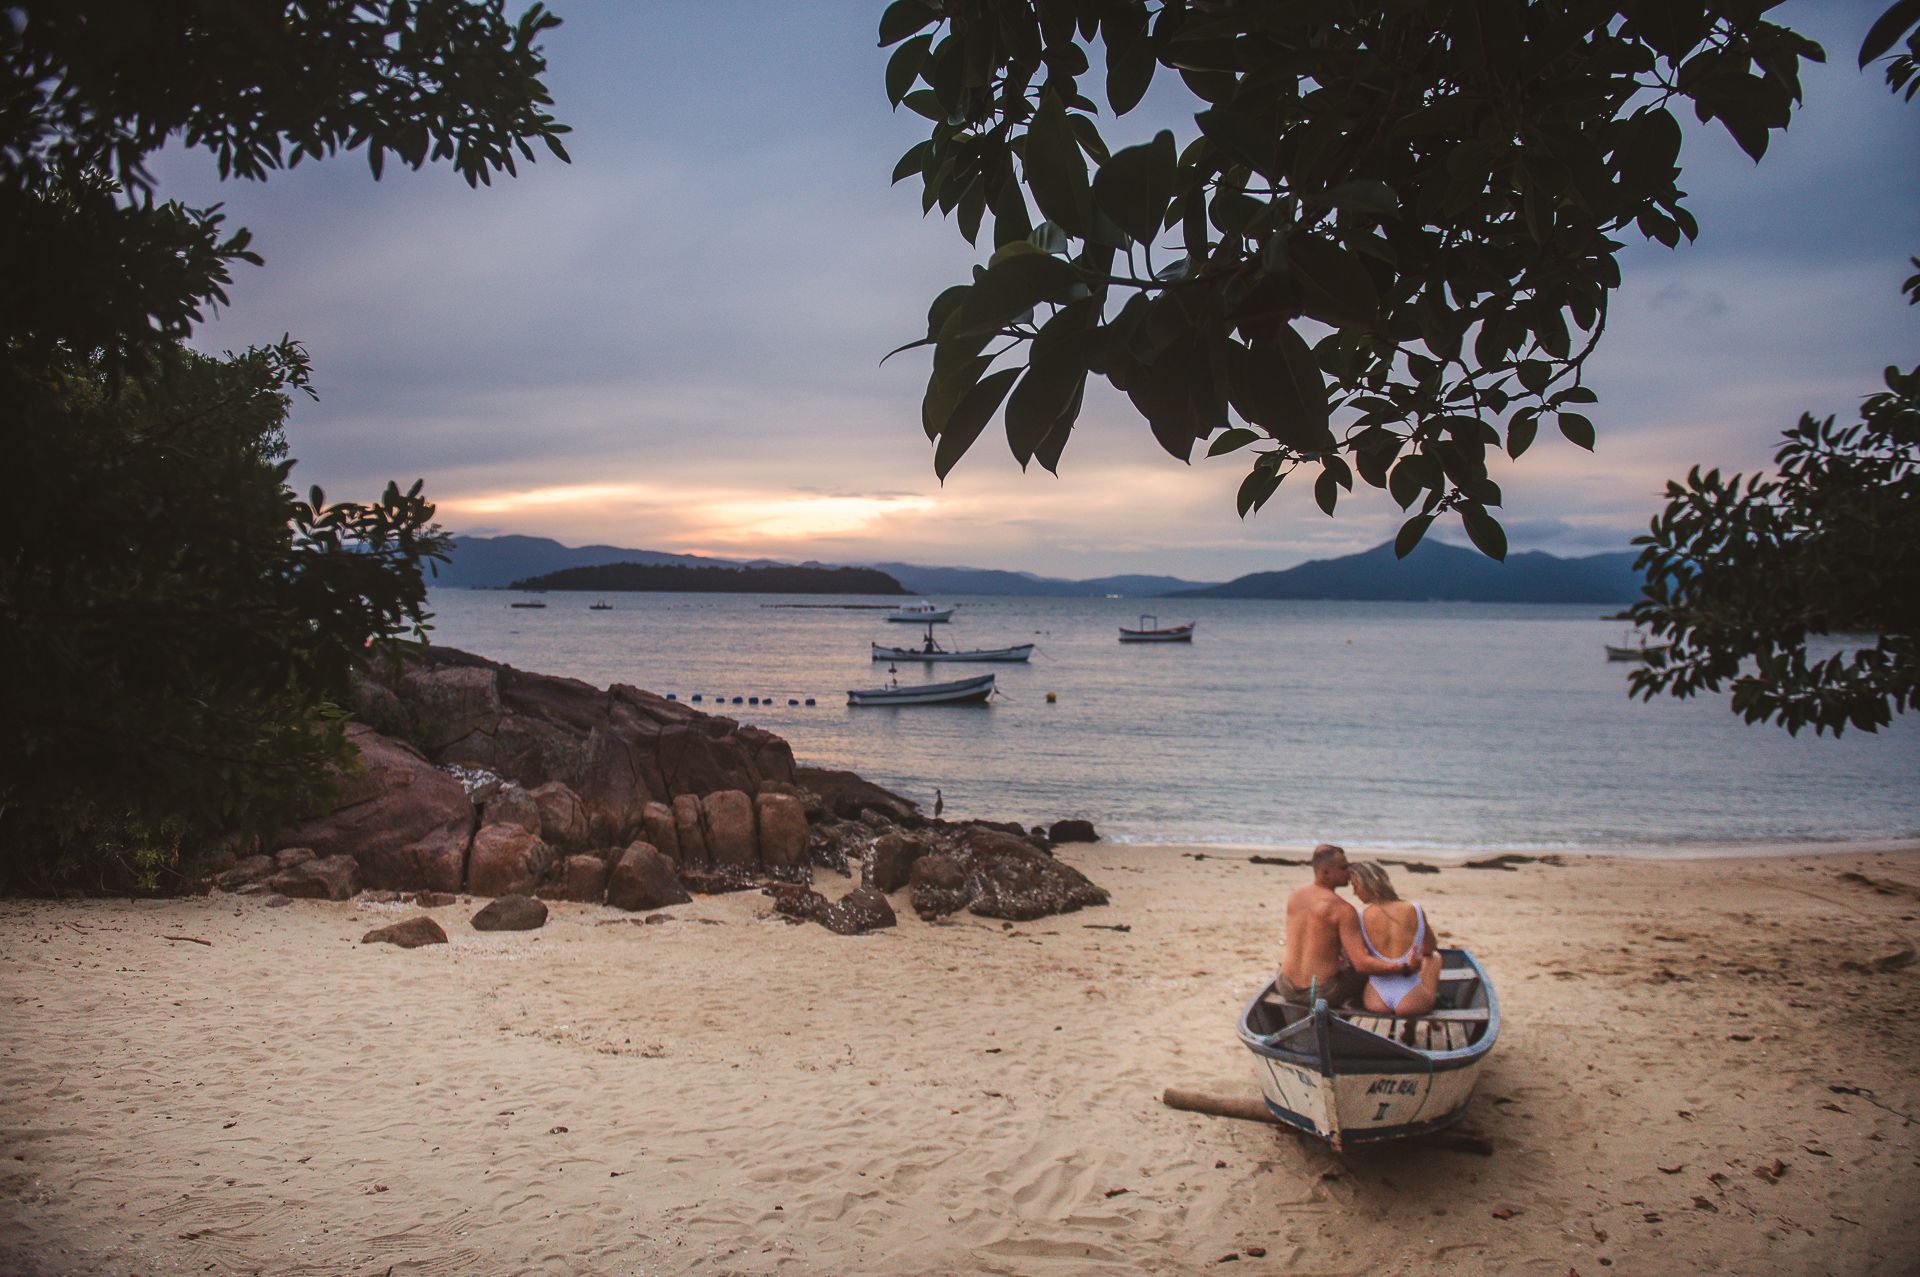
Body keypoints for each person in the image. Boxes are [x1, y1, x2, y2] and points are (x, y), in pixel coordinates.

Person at [1276, 844, 1420, 1008]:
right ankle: (1357, 1005)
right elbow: (1361, 964)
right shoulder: (1343, 910)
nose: (1349, 871)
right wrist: (1403, 967)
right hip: (1321, 993)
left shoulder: (1295, 896)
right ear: (1325, 873)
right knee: (1367, 974)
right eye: (1344, 867)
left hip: (1286, 987)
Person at [1346, 860, 1441, 1017]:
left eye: (1355, 886)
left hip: (1375, 1000)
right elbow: (1430, 947)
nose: (1354, 892)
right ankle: (1412, 1021)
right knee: (1435, 958)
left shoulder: (1361, 916)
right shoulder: (1414, 909)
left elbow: (1360, 959)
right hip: (1411, 1000)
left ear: (1367, 885)